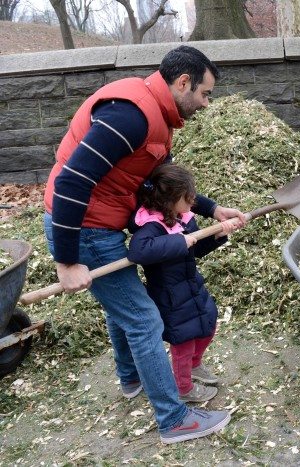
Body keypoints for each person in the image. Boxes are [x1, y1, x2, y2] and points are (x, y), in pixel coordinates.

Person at [42, 45, 248, 444]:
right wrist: (66, 261)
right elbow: (71, 182)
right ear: (183, 82)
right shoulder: (131, 114)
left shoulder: (157, 117)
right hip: (85, 229)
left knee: (124, 305)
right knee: (145, 319)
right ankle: (174, 420)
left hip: (101, 225)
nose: (206, 104)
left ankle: (131, 377)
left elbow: (155, 183)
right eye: (205, 93)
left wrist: (211, 210)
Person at [127, 164, 240, 403]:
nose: (193, 199)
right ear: (169, 199)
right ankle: (184, 388)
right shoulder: (151, 225)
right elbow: (138, 251)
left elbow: (196, 248)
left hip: (191, 286)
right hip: (170, 296)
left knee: (208, 325)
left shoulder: (183, 218)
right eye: (187, 196)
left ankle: (195, 364)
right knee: (184, 342)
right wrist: (180, 241)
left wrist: (218, 235)